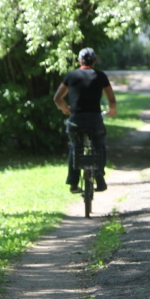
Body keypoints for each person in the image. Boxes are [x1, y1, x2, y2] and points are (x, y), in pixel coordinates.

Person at [53, 47, 117, 193]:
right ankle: (99, 176)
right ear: (95, 61)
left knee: (76, 147)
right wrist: (111, 112)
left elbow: (57, 98)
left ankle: (73, 183)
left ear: (79, 60)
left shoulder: (71, 76)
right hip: (95, 119)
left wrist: (66, 109)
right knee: (99, 145)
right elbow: (111, 100)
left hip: (76, 119)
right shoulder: (100, 76)